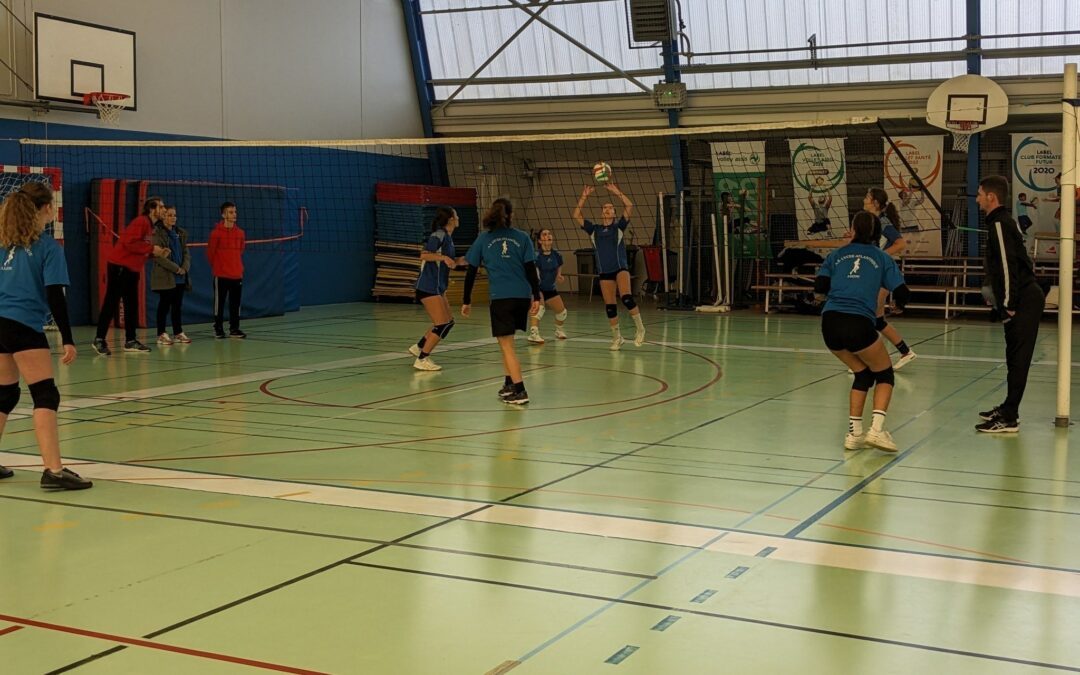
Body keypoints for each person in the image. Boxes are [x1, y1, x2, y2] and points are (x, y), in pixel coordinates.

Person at [0, 183, 91, 489]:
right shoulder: (48, 247)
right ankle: (53, 471)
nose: (53, 209)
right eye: (51, 205)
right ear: (43, 210)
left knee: (5, 394)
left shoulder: (3, 244)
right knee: (45, 394)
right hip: (22, 325)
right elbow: (55, 296)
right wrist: (67, 337)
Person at [815, 210, 911, 452]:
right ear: (877, 235)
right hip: (858, 323)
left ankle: (854, 435)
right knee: (885, 374)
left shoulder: (836, 255)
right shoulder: (882, 258)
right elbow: (902, 294)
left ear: (854, 230)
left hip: (830, 323)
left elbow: (820, 288)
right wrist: (898, 305)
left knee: (863, 373)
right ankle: (877, 431)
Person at [975, 175, 1045, 433]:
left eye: (980, 194)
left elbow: (1007, 265)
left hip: (1023, 299)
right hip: (1021, 297)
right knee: (1013, 357)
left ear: (991, 197)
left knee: (1018, 360)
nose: (977, 198)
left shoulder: (999, 224)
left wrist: (1008, 304)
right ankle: (1008, 407)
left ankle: (1010, 418)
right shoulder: (1000, 222)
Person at [461, 198, 541, 405]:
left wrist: (466, 300)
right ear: (511, 215)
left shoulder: (483, 239)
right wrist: (537, 296)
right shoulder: (522, 238)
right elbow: (531, 269)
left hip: (501, 297)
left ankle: (520, 390)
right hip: (522, 296)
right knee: (507, 342)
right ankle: (509, 384)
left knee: (506, 346)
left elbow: (470, 271)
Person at [92, 196, 169, 355]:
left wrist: (158, 253)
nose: (164, 210)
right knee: (111, 302)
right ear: (151, 210)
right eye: (161, 207)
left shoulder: (153, 227)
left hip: (132, 269)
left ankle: (130, 340)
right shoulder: (141, 221)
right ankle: (99, 339)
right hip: (120, 266)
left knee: (131, 304)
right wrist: (151, 249)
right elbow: (129, 243)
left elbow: (145, 249)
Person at [573, 183, 644, 350]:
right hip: (604, 271)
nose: (607, 209)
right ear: (601, 212)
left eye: (611, 208)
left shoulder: (618, 227)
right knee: (610, 306)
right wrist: (584, 196)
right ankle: (617, 337)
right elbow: (576, 214)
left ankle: (640, 329)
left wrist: (616, 191)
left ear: (613, 212)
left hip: (620, 268)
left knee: (626, 298)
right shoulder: (594, 229)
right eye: (605, 207)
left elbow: (629, 205)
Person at [864, 188, 916, 370]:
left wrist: (879, 257)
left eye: (867, 197)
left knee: (869, 315)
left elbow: (900, 243)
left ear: (876, 203)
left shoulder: (883, 221)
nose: (864, 199)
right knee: (877, 320)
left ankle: (871, 359)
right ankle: (905, 351)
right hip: (874, 273)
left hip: (884, 273)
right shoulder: (870, 222)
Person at [409, 207, 465, 371]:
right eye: (456, 214)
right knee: (442, 323)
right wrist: (444, 257)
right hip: (428, 286)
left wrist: (465, 260)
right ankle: (422, 358)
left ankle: (419, 346)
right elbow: (424, 255)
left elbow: (450, 261)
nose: (458, 217)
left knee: (448, 322)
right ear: (450, 219)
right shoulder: (438, 235)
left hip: (438, 287)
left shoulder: (448, 238)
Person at [151, 205, 192, 345]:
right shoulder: (157, 233)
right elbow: (158, 257)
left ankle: (178, 332)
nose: (173, 218)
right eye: (169, 215)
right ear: (163, 217)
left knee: (177, 306)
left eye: (174, 215)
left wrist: (184, 268)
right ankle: (161, 333)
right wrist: (176, 268)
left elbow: (186, 252)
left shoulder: (180, 233)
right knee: (164, 305)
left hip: (180, 276)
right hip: (166, 275)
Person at [208, 201, 246, 339]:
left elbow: (241, 250)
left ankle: (234, 329)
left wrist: (236, 266)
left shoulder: (241, 233)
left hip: (237, 274)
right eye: (231, 212)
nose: (234, 214)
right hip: (221, 275)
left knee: (236, 304)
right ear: (223, 214)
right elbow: (210, 254)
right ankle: (218, 328)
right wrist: (220, 266)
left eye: (235, 212)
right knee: (220, 303)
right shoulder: (216, 233)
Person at [527, 228, 567, 344]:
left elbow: (559, 265)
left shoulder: (557, 254)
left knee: (562, 313)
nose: (548, 236)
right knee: (539, 308)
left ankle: (558, 330)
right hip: (538, 287)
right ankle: (533, 333)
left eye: (549, 234)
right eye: (544, 234)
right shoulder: (536, 256)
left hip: (550, 288)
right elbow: (532, 272)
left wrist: (559, 275)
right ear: (539, 241)